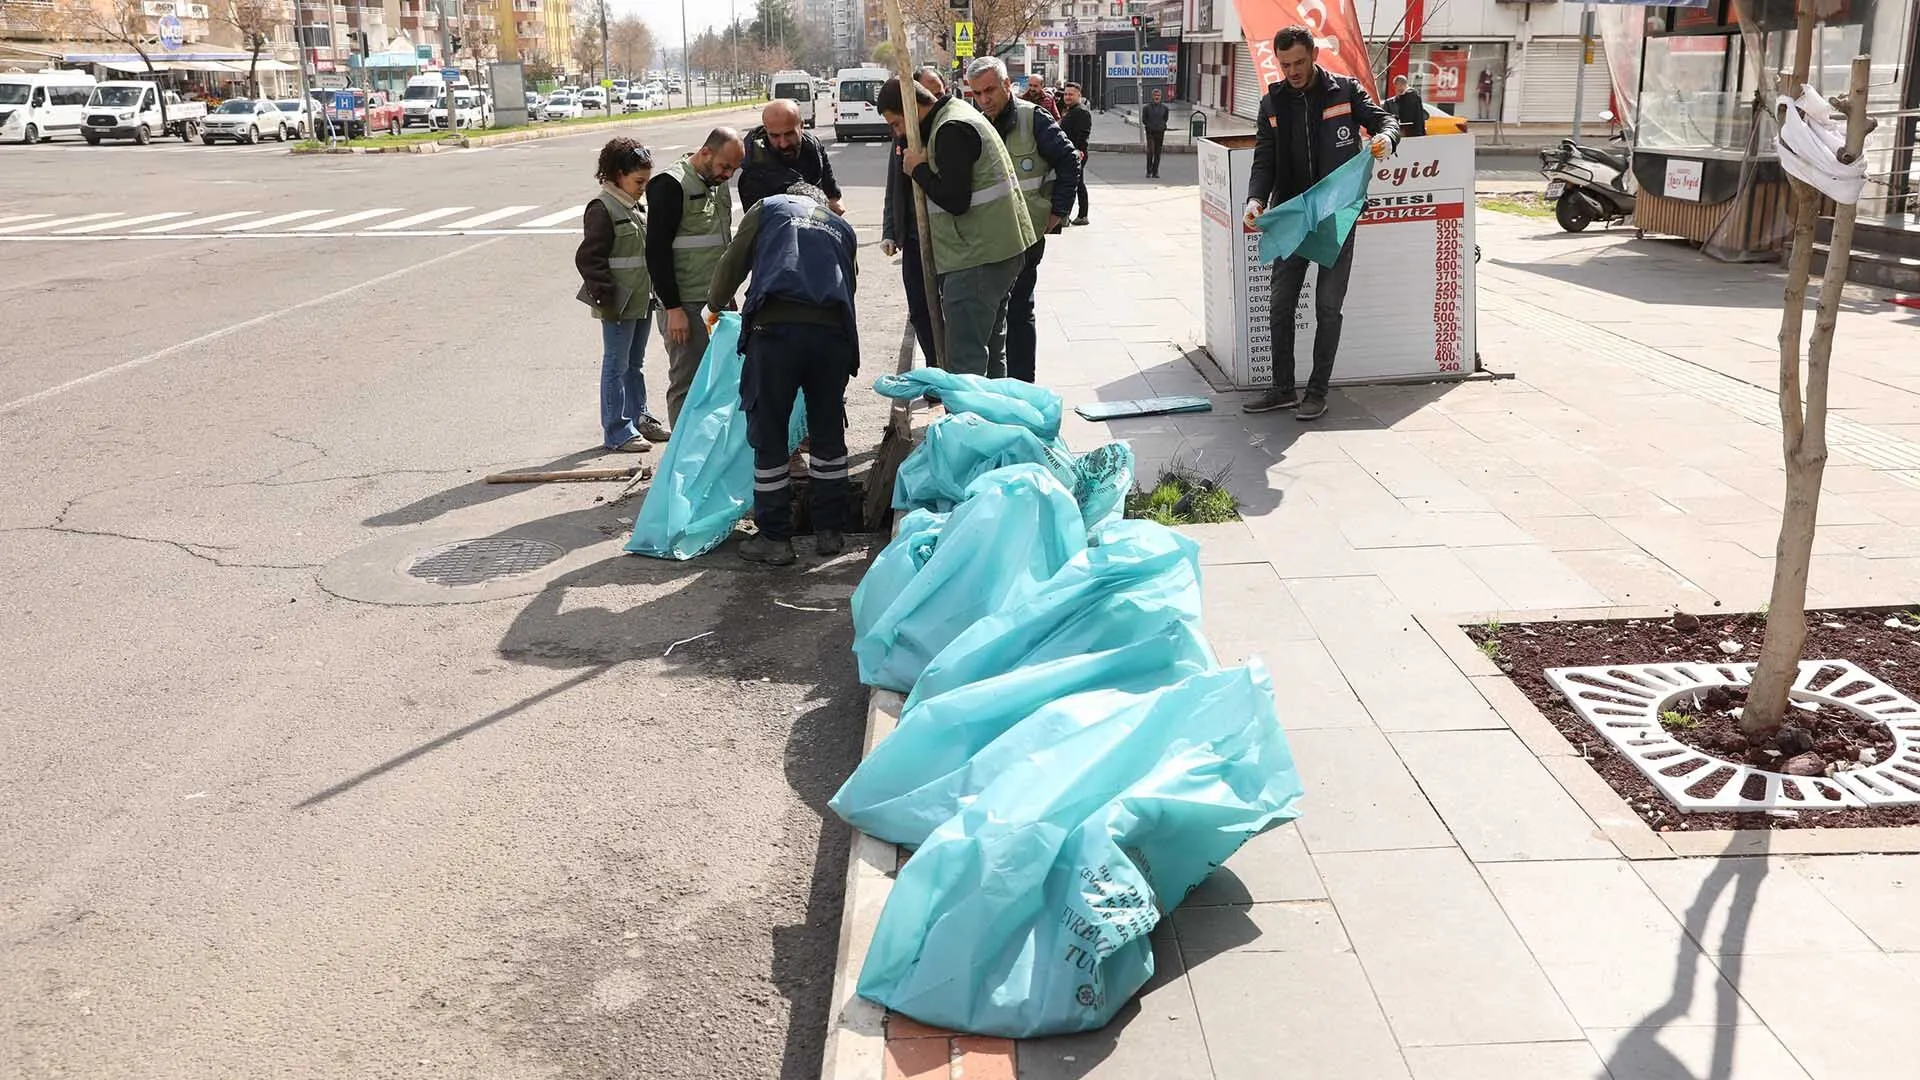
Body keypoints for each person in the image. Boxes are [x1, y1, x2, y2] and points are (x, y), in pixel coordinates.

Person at [1242, 25, 1398, 421]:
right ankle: (1281, 389)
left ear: (1313, 55)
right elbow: (1265, 159)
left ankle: (1316, 392)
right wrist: (1256, 199)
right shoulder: (1272, 102)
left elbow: (1386, 122)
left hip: (1336, 215)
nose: (1291, 71)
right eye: (1284, 65)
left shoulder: (1344, 92)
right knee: (1280, 305)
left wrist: (1387, 140)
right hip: (1293, 216)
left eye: (1298, 62)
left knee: (1327, 307)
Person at [706, 183, 860, 566]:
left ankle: (775, 537)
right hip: (832, 337)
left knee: (770, 435)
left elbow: (733, 260)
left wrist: (713, 304)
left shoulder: (770, 206)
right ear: (820, 203)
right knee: (827, 433)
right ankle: (829, 532)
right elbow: (849, 284)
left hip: (776, 335)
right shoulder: (843, 228)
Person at [878, 75, 1037, 379]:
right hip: (994, 251)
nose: (897, 133)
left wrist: (918, 169)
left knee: (965, 360)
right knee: (989, 353)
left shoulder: (951, 128)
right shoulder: (958, 116)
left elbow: (955, 199)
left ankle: (969, 424)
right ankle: (993, 419)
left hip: (976, 259)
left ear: (913, 108)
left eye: (897, 123)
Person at [964, 55, 1079, 384]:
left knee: (1017, 312)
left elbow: (1069, 160)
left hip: (1026, 236)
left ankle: (1022, 388)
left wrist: (1057, 212)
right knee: (989, 315)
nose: (985, 100)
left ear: (1005, 85)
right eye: (977, 94)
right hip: (989, 238)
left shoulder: (1033, 119)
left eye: (990, 91)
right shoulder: (974, 123)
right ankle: (997, 387)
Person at [644, 127, 745, 429]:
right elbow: (656, 252)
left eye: (733, 169)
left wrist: (727, 296)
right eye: (724, 166)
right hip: (685, 305)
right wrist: (673, 309)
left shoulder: (717, 184)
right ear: (705, 153)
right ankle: (682, 467)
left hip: (717, 301)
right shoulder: (670, 185)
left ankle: (710, 457)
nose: (728, 174)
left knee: (723, 381)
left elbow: (720, 242)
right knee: (687, 384)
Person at [574, 138, 670, 452]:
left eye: (646, 181)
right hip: (618, 303)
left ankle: (639, 418)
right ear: (617, 175)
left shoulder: (635, 205)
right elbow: (589, 259)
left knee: (634, 364)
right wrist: (607, 297)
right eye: (638, 181)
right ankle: (617, 431)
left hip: (642, 300)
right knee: (616, 365)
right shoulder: (602, 208)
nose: (643, 187)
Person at [880, 66, 950, 365]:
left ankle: (951, 368)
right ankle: (935, 368)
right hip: (912, 237)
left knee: (948, 309)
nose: (934, 99)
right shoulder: (903, 137)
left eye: (938, 92)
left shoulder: (949, 129)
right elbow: (893, 187)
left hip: (946, 238)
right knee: (920, 308)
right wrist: (890, 230)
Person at [736, 98, 844, 213]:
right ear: (766, 131)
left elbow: (837, 205)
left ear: (801, 126)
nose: (783, 143)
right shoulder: (754, 168)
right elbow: (762, 223)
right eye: (775, 136)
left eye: (789, 134)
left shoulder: (814, 149)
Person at [1058, 83, 1092, 225]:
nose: (1067, 97)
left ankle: (1080, 215)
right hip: (1068, 153)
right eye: (1065, 94)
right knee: (1075, 184)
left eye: (1071, 94)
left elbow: (1083, 135)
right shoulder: (1070, 110)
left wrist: (1078, 152)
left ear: (1079, 95)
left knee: (1075, 185)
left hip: (1076, 154)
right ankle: (1074, 215)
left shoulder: (1081, 112)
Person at [1141, 87, 1170, 178]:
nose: (1157, 97)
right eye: (1155, 95)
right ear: (1152, 96)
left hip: (1160, 132)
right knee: (1151, 151)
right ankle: (1148, 171)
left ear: (1160, 97)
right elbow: (1144, 119)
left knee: (1158, 152)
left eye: (1158, 95)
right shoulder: (1147, 108)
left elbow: (1165, 118)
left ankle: (1155, 171)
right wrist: (1149, 126)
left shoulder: (1164, 108)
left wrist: (1161, 126)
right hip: (1150, 132)